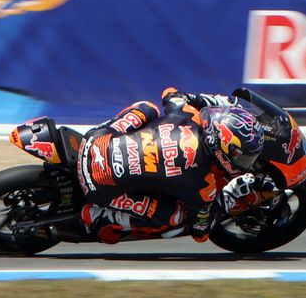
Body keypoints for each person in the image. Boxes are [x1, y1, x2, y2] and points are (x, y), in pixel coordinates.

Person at [77, 87, 274, 244]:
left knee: (149, 108)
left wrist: (188, 98)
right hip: (99, 184)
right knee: (175, 217)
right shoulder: (204, 185)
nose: (245, 163)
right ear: (222, 147)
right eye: (243, 157)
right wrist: (231, 194)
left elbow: (169, 94)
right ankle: (98, 215)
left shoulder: (187, 114)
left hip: (93, 141)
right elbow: (200, 232)